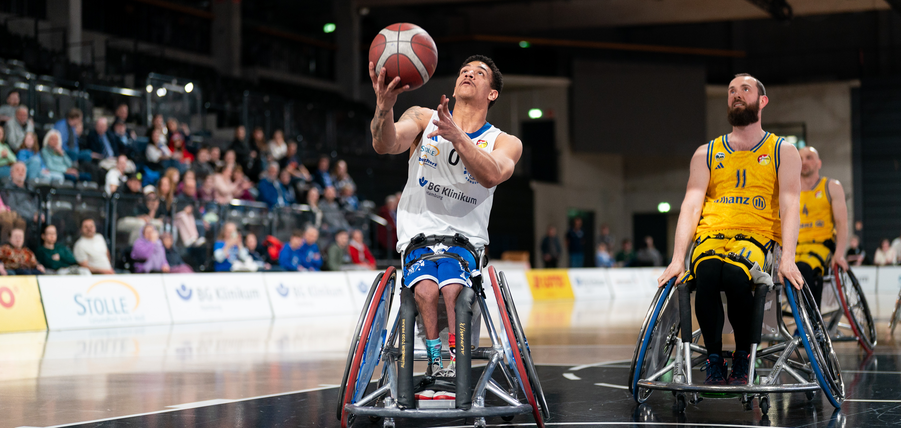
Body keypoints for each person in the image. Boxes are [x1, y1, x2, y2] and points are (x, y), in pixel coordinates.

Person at [369, 54, 521, 382]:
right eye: (464, 71)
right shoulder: (424, 118)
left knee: (452, 289)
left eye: (478, 73)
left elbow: (492, 174)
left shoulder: (505, 141)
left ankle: (453, 362)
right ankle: (437, 359)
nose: (468, 74)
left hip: (465, 243)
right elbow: (385, 143)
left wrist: (458, 137)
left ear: (491, 93)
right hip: (419, 237)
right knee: (424, 288)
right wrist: (384, 107)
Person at [657, 73, 803, 387]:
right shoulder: (706, 152)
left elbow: (791, 206)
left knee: (737, 276)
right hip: (712, 234)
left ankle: (742, 356)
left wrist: (788, 257)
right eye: (731, 91)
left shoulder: (782, 151)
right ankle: (713, 359)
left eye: (745, 90)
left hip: (757, 235)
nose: (736, 95)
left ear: (762, 101)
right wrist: (676, 259)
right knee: (707, 274)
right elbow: (691, 207)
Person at [795, 146, 849, 308]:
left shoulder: (831, 187)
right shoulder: (790, 190)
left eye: (809, 157)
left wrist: (839, 254)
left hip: (821, 248)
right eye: (801, 158)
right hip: (794, 249)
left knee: (803, 269)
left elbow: (842, 223)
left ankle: (812, 324)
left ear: (819, 163)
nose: (804, 161)